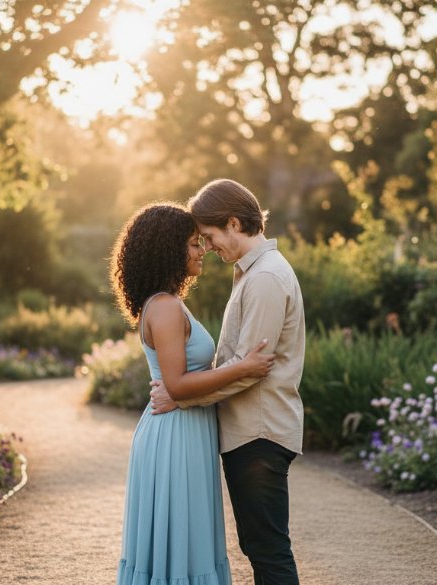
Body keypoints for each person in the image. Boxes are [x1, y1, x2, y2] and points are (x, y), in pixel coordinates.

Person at [149, 179, 306, 585]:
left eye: (210, 236)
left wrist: (180, 396)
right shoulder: (251, 274)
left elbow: (250, 368)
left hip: (259, 432)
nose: (208, 246)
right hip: (251, 432)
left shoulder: (266, 277)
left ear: (234, 223)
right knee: (260, 548)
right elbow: (241, 364)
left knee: (268, 551)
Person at [110, 202, 276, 585]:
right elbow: (178, 385)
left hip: (186, 429)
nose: (202, 251)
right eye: (193, 244)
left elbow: (178, 384)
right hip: (174, 437)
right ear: (168, 251)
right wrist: (243, 368)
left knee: (188, 540)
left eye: (202, 242)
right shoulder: (165, 307)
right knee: (182, 544)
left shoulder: (168, 303)